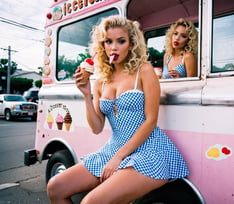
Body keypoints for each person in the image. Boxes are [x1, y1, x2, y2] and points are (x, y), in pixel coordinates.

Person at [47, 15, 189, 204]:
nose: (114, 47)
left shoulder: (143, 71)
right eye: (108, 41)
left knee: (90, 202)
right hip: (113, 148)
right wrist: (86, 94)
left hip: (148, 149)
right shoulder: (100, 81)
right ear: (102, 45)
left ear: (131, 44)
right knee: (55, 187)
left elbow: (150, 121)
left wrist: (119, 158)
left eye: (121, 41)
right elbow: (97, 128)